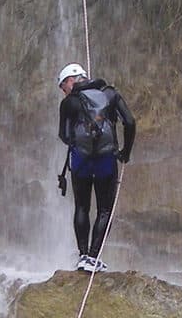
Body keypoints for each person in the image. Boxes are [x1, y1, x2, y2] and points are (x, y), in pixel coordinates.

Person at [56, 62, 136, 272]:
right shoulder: (110, 95)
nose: (63, 91)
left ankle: (83, 256)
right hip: (106, 160)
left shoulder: (69, 103)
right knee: (105, 210)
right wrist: (125, 153)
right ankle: (93, 257)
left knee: (82, 207)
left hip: (81, 162)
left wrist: (79, 142)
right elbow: (130, 122)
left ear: (71, 80)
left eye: (63, 86)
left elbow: (63, 136)